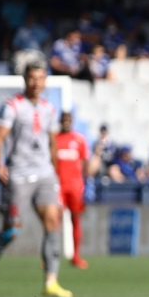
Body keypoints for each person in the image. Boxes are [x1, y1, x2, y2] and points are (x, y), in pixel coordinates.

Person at [0, 61, 72, 297]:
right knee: (11, 231)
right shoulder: (12, 107)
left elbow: (52, 143)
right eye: (32, 78)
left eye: (40, 78)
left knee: (52, 222)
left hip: (45, 174)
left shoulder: (49, 108)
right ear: (25, 80)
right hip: (18, 175)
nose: (36, 83)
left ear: (46, 80)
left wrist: (55, 171)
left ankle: (51, 281)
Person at [55, 111, 97, 270]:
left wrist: (87, 183)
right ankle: (51, 256)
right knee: (54, 222)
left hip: (75, 187)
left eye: (68, 119)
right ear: (60, 121)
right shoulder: (54, 139)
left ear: (72, 121)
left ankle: (76, 256)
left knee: (76, 220)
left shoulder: (79, 140)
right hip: (58, 187)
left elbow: (85, 162)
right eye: (63, 119)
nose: (66, 122)